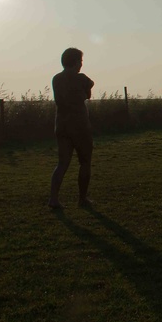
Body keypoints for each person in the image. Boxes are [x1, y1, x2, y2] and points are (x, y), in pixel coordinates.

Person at [48, 47, 95, 208]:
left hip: (61, 125)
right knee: (85, 162)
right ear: (75, 62)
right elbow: (89, 89)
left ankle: (53, 199)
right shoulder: (80, 78)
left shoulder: (56, 79)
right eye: (80, 61)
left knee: (62, 164)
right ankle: (82, 199)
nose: (81, 64)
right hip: (80, 126)